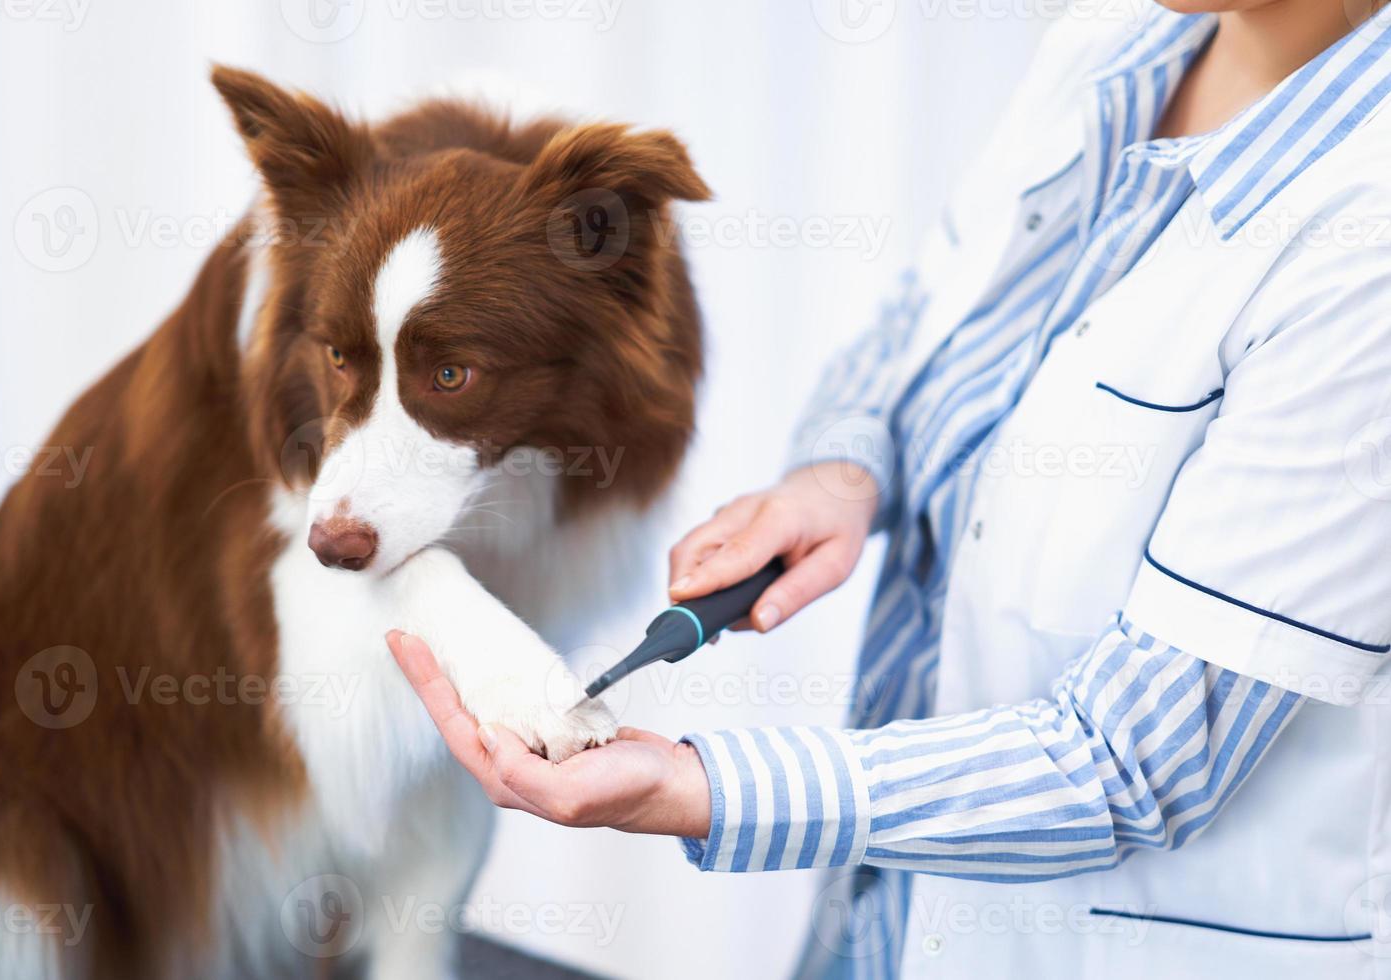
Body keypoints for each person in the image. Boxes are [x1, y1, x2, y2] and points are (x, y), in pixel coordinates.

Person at [387, 1, 1391, 976]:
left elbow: (1136, 758)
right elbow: (923, 317)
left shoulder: (1366, 247)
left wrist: (703, 787)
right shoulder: (1109, 52)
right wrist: (841, 467)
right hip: (881, 922)